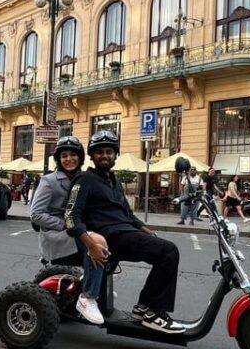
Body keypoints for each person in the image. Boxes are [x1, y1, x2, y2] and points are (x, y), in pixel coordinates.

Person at [65, 131, 185, 334]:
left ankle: (144, 308)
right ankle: (151, 311)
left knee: (164, 249)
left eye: (109, 151)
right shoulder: (84, 179)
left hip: (126, 232)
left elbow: (129, 215)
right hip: (110, 237)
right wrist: (91, 245)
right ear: (92, 156)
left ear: (115, 155)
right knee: (168, 251)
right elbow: (70, 217)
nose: (105, 155)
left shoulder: (115, 182)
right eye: (100, 152)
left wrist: (148, 232)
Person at [30, 136, 86, 268]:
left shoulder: (85, 178)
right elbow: (36, 214)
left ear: (80, 157)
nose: (69, 159)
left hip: (80, 230)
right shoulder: (49, 181)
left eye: (73, 155)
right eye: (64, 156)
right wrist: (65, 224)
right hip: (58, 235)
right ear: (59, 159)